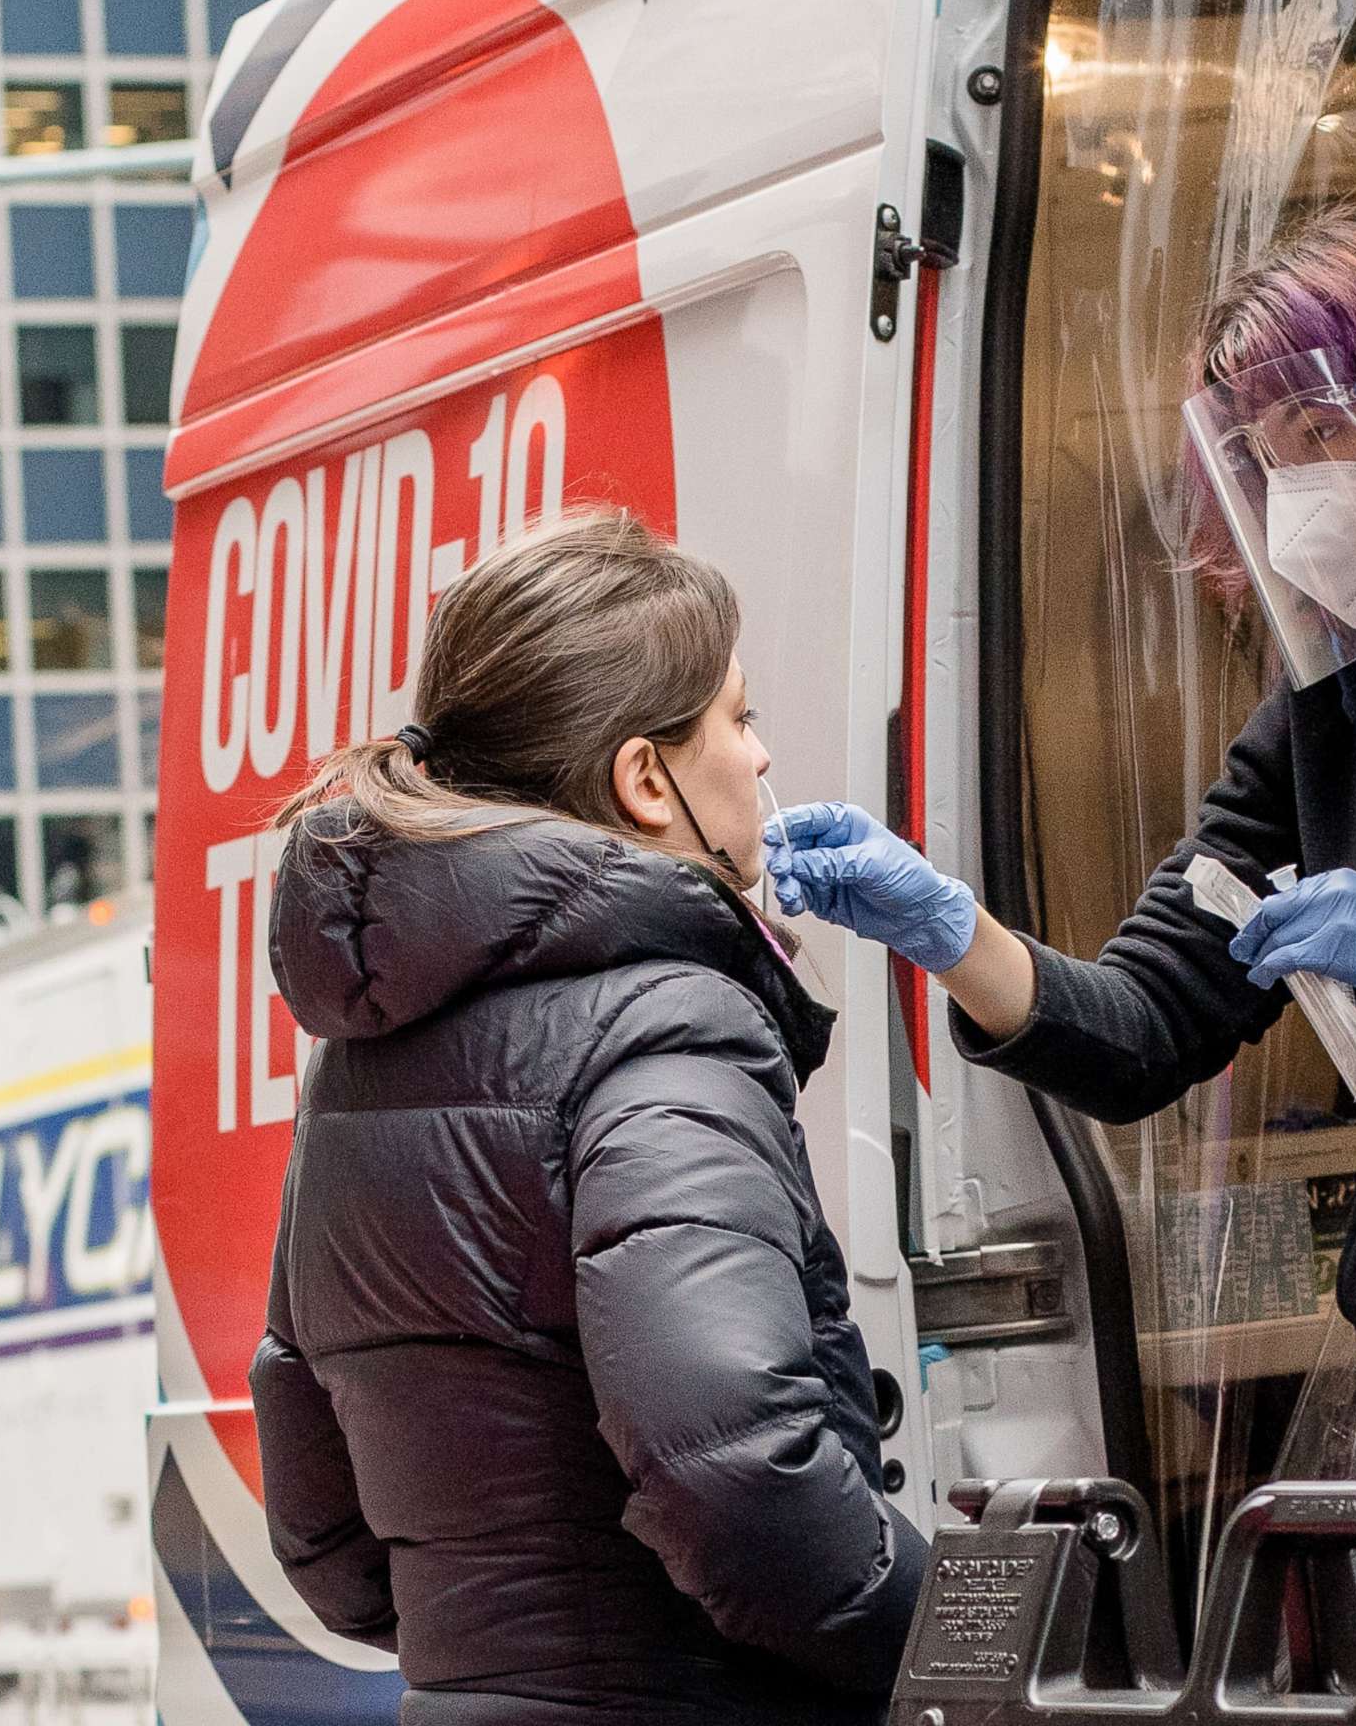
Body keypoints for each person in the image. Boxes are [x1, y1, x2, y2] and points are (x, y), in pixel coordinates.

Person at [768, 215, 1356, 1687]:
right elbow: (1141, 1023)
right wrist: (956, 933)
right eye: (1263, 451)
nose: (1299, 484)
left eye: (1328, 423)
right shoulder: (1322, 723)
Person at [251, 510, 927, 1725]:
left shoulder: (354, 1067)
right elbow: (738, 1479)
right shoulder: (666, 1023)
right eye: (738, 717)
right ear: (641, 778)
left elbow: (328, 1538)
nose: (761, 759)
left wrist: (504, 1634)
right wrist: (938, 1638)